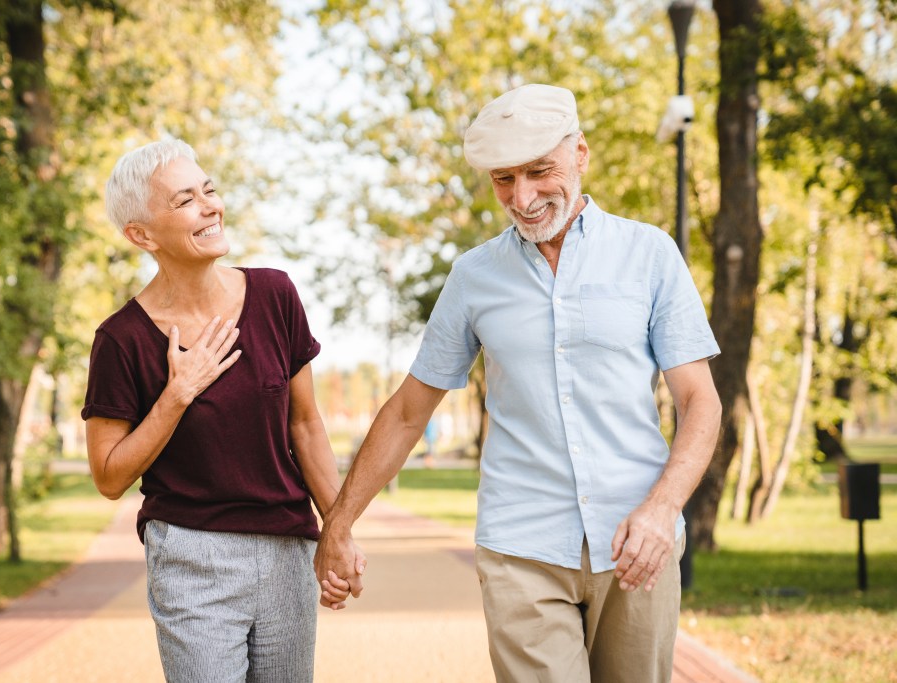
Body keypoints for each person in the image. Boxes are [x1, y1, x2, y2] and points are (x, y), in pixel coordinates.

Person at [314, 84, 722, 682]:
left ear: (580, 155)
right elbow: (408, 412)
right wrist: (339, 522)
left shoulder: (649, 255)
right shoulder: (474, 276)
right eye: (504, 179)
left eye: (540, 172)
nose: (523, 197)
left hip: (636, 540)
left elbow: (700, 401)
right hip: (521, 544)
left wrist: (663, 510)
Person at [81, 138, 357, 682]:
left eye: (209, 191)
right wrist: (176, 395)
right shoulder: (121, 339)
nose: (211, 206)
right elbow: (109, 476)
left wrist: (338, 531)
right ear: (141, 234)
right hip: (191, 559)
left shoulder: (275, 295)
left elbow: (305, 423)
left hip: (285, 552)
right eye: (185, 200)